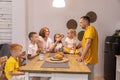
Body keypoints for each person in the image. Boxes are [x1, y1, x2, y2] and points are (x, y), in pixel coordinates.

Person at [76, 16, 98, 80]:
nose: (79, 24)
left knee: (89, 77)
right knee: (86, 77)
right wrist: (75, 47)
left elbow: (88, 43)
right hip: (87, 58)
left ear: (85, 22)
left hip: (90, 58)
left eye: (81, 22)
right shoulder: (86, 31)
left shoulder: (90, 28)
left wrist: (81, 57)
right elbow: (82, 43)